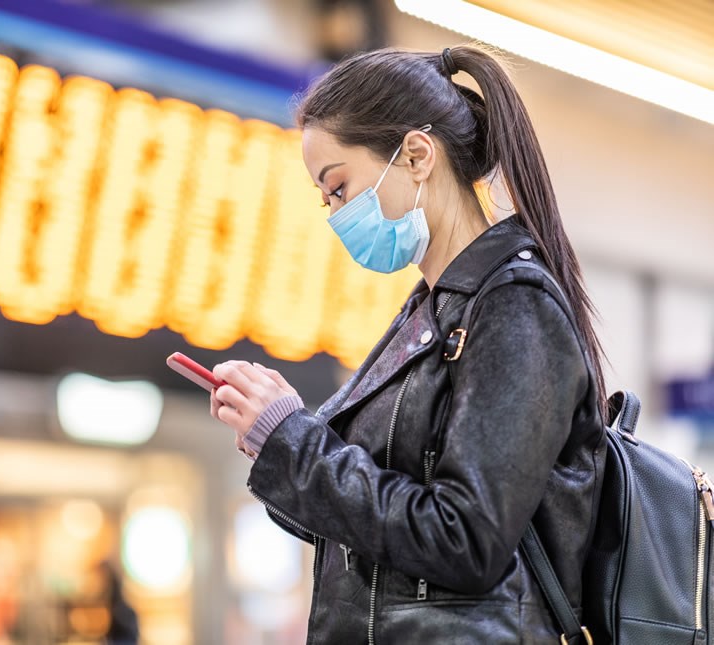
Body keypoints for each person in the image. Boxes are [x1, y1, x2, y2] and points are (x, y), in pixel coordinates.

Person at [209, 45, 607, 644]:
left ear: (417, 155)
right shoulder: (431, 312)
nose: (335, 214)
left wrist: (294, 444)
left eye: (337, 188)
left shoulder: (514, 306)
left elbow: (465, 539)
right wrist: (275, 438)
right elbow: (370, 525)